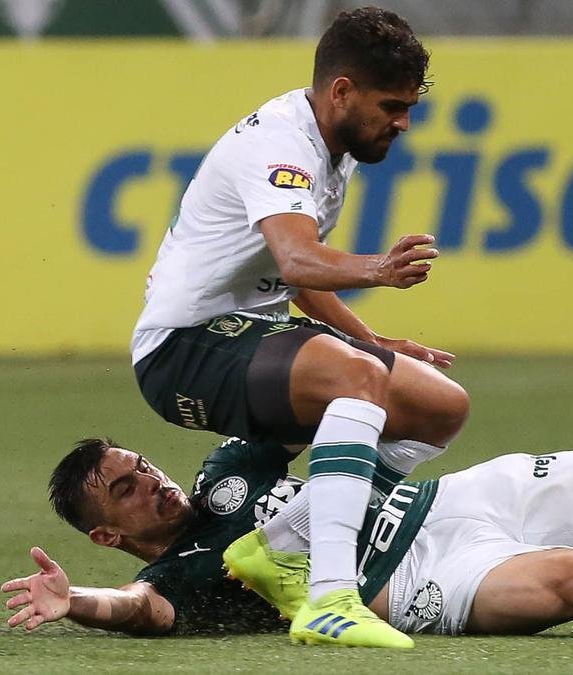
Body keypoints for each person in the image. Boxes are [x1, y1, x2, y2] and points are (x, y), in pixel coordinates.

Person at [128, 6, 468, 647]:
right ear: (341, 91)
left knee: (438, 406)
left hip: (248, 341)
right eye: (392, 106)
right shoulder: (282, 146)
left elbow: (295, 279)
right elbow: (296, 260)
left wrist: (370, 340)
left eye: (409, 108)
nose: (402, 123)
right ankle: (331, 596)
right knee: (356, 378)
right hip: (182, 349)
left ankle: (280, 544)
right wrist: (379, 270)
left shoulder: (331, 148)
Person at [0, 437, 573, 647]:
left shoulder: (228, 470)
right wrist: (77, 601)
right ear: (107, 531)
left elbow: (298, 388)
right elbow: (141, 610)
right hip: (420, 578)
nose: (154, 481)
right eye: (128, 488)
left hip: (452, 497)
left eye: (142, 463)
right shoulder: (183, 574)